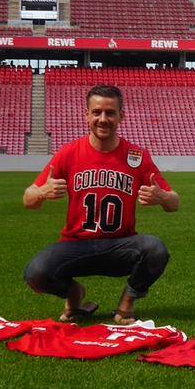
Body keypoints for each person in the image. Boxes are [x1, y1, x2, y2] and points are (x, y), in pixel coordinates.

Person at [23, 84, 179, 325]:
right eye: (96, 112)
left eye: (110, 113)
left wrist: (163, 197)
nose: (103, 119)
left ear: (121, 116)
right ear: (87, 115)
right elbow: (28, 200)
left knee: (155, 249)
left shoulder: (136, 157)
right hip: (77, 246)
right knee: (36, 273)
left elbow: (174, 202)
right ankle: (74, 294)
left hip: (120, 246)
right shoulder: (68, 153)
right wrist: (42, 192)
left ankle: (127, 302)